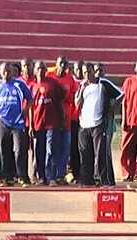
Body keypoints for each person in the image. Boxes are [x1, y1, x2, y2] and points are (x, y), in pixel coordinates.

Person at [0, 61, 33, 186]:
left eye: (8, 71)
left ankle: (23, 177)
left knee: (19, 150)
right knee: (4, 150)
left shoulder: (19, 84)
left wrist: (25, 109)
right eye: (3, 71)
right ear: (0, 73)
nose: (6, 73)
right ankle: (7, 178)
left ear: (12, 72)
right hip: (3, 123)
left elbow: (30, 99)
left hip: (18, 123)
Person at [76, 62, 122, 187]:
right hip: (84, 125)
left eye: (89, 72)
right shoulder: (82, 85)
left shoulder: (102, 83)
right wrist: (82, 90)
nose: (87, 75)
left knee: (101, 154)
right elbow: (77, 103)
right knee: (85, 154)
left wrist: (111, 108)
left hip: (98, 124)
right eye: (84, 73)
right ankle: (87, 181)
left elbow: (121, 94)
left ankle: (106, 181)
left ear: (93, 72)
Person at [29, 60, 66, 186]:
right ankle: (41, 177)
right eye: (38, 68)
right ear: (35, 70)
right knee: (39, 151)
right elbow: (30, 107)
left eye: (43, 68)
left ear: (46, 70)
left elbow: (59, 103)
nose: (41, 71)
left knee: (51, 150)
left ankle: (51, 177)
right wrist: (31, 125)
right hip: (38, 124)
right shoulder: (32, 86)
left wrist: (62, 119)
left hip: (52, 122)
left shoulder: (54, 84)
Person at [46, 56, 79, 185]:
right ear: (56, 64)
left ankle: (60, 174)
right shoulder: (50, 76)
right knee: (51, 148)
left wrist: (65, 94)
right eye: (60, 63)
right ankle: (50, 175)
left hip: (67, 118)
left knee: (65, 148)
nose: (63, 66)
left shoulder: (69, 79)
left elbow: (73, 97)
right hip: (52, 118)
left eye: (65, 64)